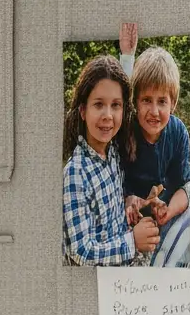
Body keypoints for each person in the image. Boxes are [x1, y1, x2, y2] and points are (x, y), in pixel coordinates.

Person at [62, 53, 160, 265]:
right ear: (82, 111)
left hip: (132, 261)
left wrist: (129, 201)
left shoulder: (113, 151)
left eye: (115, 105)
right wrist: (132, 242)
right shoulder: (75, 172)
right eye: (98, 104)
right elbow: (80, 252)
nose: (108, 115)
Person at [118, 43, 190, 268]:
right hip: (134, 217)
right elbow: (116, 182)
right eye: (146, 100)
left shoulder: (178, 132)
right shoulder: (125, 132)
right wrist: (127, 201)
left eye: (162, 101)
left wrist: (168, 211)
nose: (154, 111)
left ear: (173, 104)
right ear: (135, 102)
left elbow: (185, 186)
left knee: (187, 227)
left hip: (166, 211)